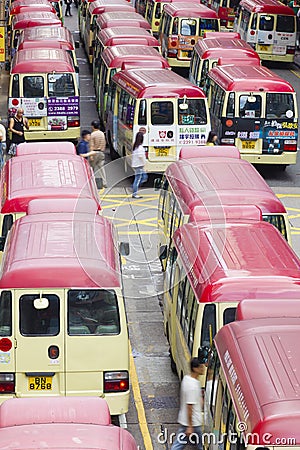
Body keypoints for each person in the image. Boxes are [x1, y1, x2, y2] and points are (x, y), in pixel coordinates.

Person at [171, 357, 205, 450]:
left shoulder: (187, 378)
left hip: (188, 420)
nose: (203, 368)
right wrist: (190, 426)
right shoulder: (192, 386)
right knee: (180, 444)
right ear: (195, 369)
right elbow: (189, 406)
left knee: (182, 443)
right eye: (201, 367)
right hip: (192, 422)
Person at [89, 120, 107, 188]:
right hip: (101, 152)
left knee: (91, 169)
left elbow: (91, 145)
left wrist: (91, 156)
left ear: (93, 126)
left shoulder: (93, 134)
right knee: (101, 168)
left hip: (94, 152)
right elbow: (104, 143)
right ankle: (104, 182)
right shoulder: (102, 133)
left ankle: (91, 182)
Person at [131, 131, 147, 199]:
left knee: (143, 177)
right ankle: (134, 192)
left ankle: (134, 187)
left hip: (136, 164)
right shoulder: (140, 148)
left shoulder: (135, 146)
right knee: (138, 179)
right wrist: (145, 162)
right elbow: (141, 157)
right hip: (139, 165)